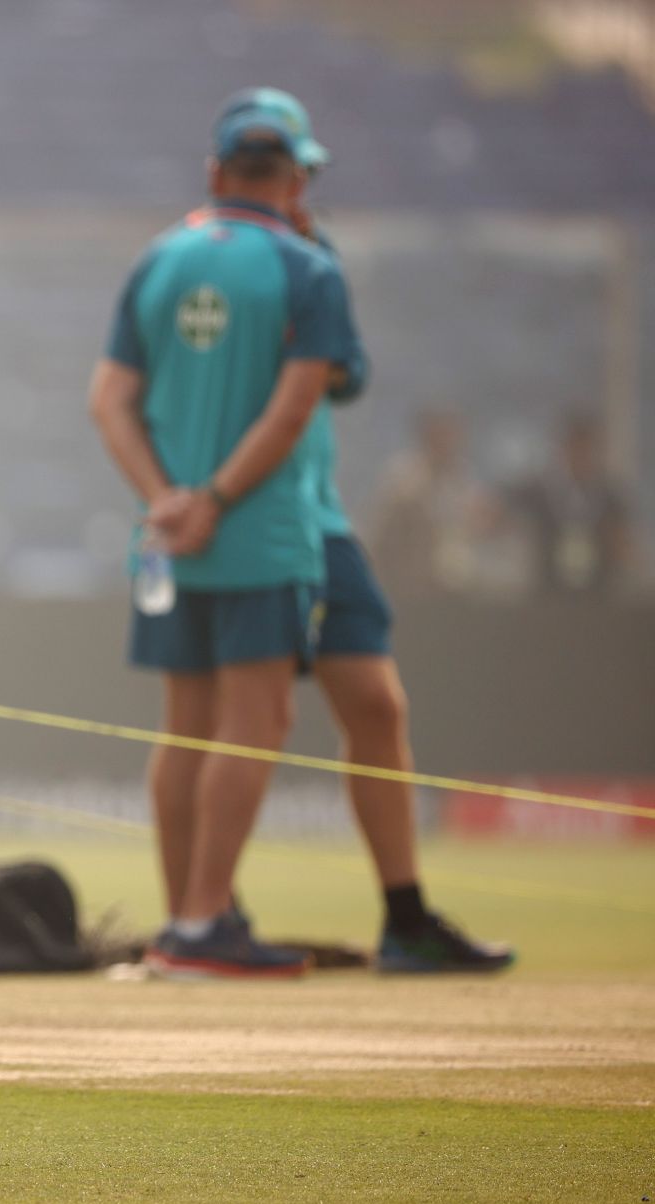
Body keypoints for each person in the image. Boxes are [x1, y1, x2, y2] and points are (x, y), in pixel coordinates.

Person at [87, 92, 361, 978]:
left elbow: (109, 400)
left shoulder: (159, 258)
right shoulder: (306, 266)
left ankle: (184, 922)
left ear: (213, 172)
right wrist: (216, 499)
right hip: (256, 535)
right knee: (256, 720)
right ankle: (208, 924)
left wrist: (167, 500)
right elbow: (296, 409)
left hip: (164, 537)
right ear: (291, 181)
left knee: (186, 727)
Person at [255, 87, 514, 974]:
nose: (298, 185)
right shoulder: (220, 260)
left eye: (303, 172)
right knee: (240, 717)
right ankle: (204, 918)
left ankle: (405, 917)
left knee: (376, 704)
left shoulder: (312, 258)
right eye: (286, 170)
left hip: (320, 516)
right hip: (251, 517)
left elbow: (345, 377)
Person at [366, 407, 501, 597]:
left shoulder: (462, 476)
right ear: (426, 437)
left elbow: (480, 521)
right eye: (440, 436)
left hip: (456, 579)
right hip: (411, 578)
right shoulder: (404, 475)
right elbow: (383, 527)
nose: (447, 443)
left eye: (451, 436)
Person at [507, 410, 638, 597]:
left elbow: (626, 546)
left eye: (587, 449)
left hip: (598, 596)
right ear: (563, 449)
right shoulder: (537, 493)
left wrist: (623, 550)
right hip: (548, 595)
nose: (581, 456)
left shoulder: (612, 498)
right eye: (575, 447)